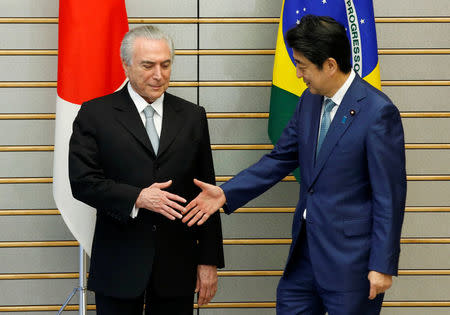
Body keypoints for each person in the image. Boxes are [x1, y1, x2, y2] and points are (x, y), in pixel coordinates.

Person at [182, 15, 406, 315]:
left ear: (329, 65)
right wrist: (225, 193)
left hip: (352, 263)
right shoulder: (309, 101)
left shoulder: (378, 113)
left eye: (302, 66)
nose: (299, 74)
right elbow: (280, 159)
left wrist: (382, 264)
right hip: (304, 256)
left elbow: (389, 196)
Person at [69, 25, 224, 315]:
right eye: (148, 65)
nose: (159, 74)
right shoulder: (95, 114)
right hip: (118, 264)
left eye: (166, 65)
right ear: (126, 66)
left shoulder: (192, 116)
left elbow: (207, 192)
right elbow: (83, 181)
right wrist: (137, 197)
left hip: (177, 267)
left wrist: (208, 260)